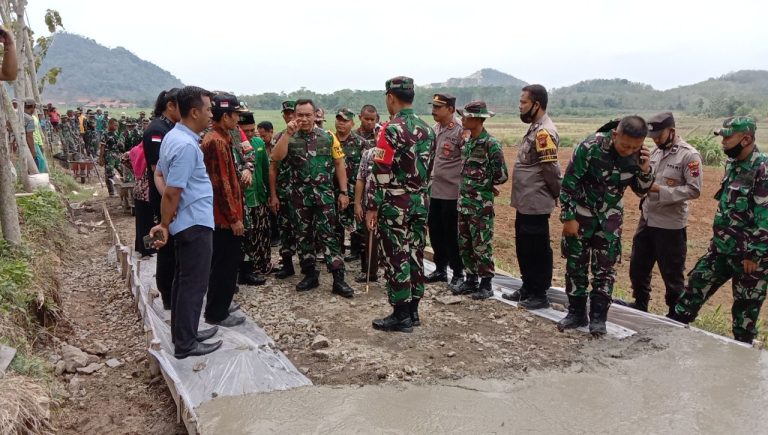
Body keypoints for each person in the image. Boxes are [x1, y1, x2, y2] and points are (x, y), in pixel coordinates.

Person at [670, 117, 767, 344]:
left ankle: (741, 353)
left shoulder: (762, 169)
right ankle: (668, 336)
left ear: (746, 139)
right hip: (721, 250)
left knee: (744, 315)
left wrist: (754, 254)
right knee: (692, 292)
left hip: (749, 258)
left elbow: (765, 217)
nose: (723, 142)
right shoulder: (733, 164)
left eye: (728, 137)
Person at [558, 116, 653, 336]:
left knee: (605, 271)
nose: (629, 151)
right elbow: (569, 183)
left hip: (610, 221)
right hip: (581, 216)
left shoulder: (639, 156)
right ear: (615, 134)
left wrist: (645, 169)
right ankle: (576, 313)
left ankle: (599, 318)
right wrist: (568, 218)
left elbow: (641, 190)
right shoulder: (590, 147)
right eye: (625, 145)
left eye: (635, 147)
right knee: (576, 266)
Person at [149, 85, 221, 359]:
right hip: (193, 223)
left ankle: (185, 332)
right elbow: (172, 191)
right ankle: (186, 344)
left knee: (183, 281)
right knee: (193, 284)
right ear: (194, 112)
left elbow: (162, 176)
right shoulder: (186, 145)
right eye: (208, 109)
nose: (211, 114)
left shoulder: (174, 137)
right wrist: (164, 224)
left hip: (189, 221)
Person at [366, 76, 435, 332]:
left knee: (396, 255)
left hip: (396, 202)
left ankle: (401, 314)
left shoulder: (389, 129)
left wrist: (372, 206)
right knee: (416, 252)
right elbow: (429, 168)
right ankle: (414, 310)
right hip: (420, 200)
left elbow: (380, 171)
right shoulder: (428, 129)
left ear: (390, 97)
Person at [616, 112, 702, 314]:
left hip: (670, 225)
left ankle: (674, 312)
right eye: (652, 137)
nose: (655, 140)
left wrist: (659, 190)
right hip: (647, 219)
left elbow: (694, 190)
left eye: (658, 136)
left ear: (671, 131)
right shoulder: (654, 152)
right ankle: (640, 303)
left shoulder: (689, 155)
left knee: (672, 273)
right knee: (638, 267)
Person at [271, 99, 355, 298]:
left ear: (315, 115)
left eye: (308, 115)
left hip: (324, 197)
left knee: (329, 236)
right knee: (304, 237)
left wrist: (343, 192)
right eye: (300, 115)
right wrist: (288, 134)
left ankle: (338, 279)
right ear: (294, 116)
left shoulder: (328, 136)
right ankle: (310, 274)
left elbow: (339, 164)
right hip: (299, 198)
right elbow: (276, 158)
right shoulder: (286, 136)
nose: (304, 119)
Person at [504, 84, 561, 309]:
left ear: (536, 104)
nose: (520, 106)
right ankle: (528, 287)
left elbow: (551, 170)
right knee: (524, 245)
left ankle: (539, 293)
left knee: (537, 248)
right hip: (525, 201)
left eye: (523, 102)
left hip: (536, 201)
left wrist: (557, 193)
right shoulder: (535, 128)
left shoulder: (544, 132)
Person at [452, 101, 508, 300]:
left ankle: (486, 284)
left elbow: (502, 175)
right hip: (464, 203)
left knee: (481, 245)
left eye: (466, 116)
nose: (462, 119)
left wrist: (485, 184)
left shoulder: (490, 144)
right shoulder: (469, 143)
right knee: (465, 244)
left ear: (477, 119)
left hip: (480, 206)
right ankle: (470, 279)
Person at [200, 93, 247, 327]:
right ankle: (217, 312)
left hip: (223, 214)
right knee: (224, 265)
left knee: (224, 263)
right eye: (236, 114)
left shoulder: (222, 137)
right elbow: (221, 185)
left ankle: (221, 304)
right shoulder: (216, 142)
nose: (238, 119)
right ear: (226, 116)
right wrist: (234, 218)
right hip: (223, 217)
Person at [145, 89, 181, 307]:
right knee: (166, 246)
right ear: (170, 106)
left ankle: (174, 290)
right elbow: (157, 169)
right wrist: (171, 201)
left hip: (170, 196)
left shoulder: (170, 128)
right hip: (163, 197)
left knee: (174, 246)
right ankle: (168, 293)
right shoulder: (157, 130)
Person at [426, 93, 465, 289]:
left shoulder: (460, 131)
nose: (433, 110)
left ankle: (458, 273)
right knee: (435, 231)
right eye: (433, 106)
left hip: (452, 191)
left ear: (450, 109)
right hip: (435, 190)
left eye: (438, 107)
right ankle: (440, 269)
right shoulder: (435, 129)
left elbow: (467, 160)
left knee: (452, 234)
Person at [235, 111, 270, 285]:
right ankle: (247, 270)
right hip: (243, 200)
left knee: (262, 232)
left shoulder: (258, 143)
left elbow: (265, 169)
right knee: (247, 236)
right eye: (245, 130)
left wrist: (269, 194)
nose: (249, 134)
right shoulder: (233, 146)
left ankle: (263, 265)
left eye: (252, 130)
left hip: (259, 196)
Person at [334, 108, 368, 262]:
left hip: (355, 191)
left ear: (353, 123)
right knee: (335, 223)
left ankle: (357, 252)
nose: (341, 123)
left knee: (358, 224)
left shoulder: (360, 143)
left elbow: (367, 170)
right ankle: (336, 253)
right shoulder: (329, 140)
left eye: (345, 121)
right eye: (339, 120)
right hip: (334, 190)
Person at [270, 101, 299, 278]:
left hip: (305, 194)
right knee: (285, 229)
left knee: (306, 232)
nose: (289, 117)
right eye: (286, 114)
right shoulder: (279, 137)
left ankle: (309, 267)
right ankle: (287, 264)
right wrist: (273, 195)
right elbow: (273, 167)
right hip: (285, 193)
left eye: (292, 113)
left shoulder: (311, 136)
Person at [354, 146, 379, 283]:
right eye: (377, 135)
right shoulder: (368, 154)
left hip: (390, 205)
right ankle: (371, 272)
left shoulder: (398, 152)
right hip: (369, 204)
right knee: (370, 239)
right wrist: (357, 203)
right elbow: (361, 179)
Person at [257, 120, 280, 246]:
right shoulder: (259, 146)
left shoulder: (277, 145)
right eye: (259, 135)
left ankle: (277, 235)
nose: (261, 138)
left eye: (263, 135)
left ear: (271, 132)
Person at [98, 118, 124, 197]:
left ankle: (124, 189)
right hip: (109, 156)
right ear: (110, 125)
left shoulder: (117, 134)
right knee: (109, 173)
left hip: (117, 156)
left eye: (117, 125)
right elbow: (102, 147)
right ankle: (111, 192)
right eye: (115, 125)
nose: (116, 127)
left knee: (123, 171)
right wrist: (101, 158)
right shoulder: (105, 134)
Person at [22, 99, 40, 169]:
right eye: (34, 107)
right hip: (25, 145)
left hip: (17, 145)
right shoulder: (29, 119)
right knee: (35, 162)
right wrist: (33, 151)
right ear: (32, 106)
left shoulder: (18, 114)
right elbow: (29, 136)